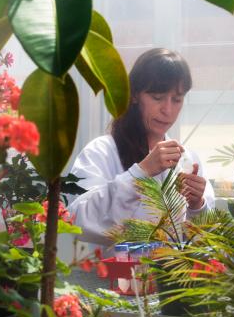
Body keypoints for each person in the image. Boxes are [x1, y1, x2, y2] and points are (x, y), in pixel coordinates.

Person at [67, 48, 215, 246]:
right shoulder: (102, 151)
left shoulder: (188, 159)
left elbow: (204, 243)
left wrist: (198, 206)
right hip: (112, 276)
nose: (167, 110)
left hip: (170, 276)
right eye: (157, 97)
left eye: (177, 100)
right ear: (135, 94)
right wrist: (141, 173)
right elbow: (77, 220)